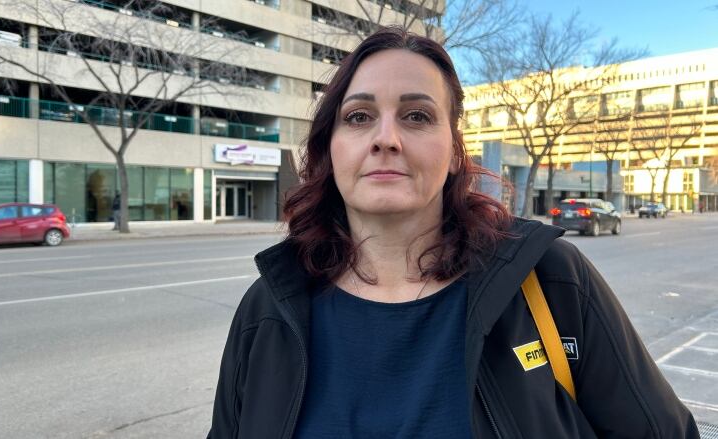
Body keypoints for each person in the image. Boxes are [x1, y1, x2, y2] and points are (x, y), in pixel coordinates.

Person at [208, 27, 698, 438]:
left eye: (417, 116)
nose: (386, 138)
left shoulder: (551, 281)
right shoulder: (269, 306)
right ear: (329, 147)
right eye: (358, 117)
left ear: (453, 149)